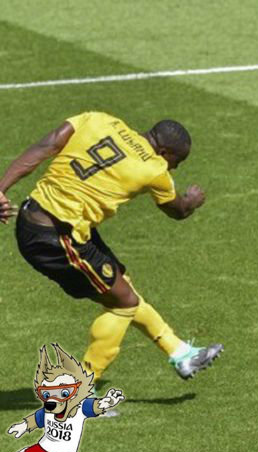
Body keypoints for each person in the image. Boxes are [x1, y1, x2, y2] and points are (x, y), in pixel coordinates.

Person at [0, 111, 223, 388]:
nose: (174, 168)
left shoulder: (100, 120)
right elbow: (179, 210)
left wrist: (1, 188)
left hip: (36, 214)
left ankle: (180, 352)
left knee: (121, 284)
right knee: (123, 303)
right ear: (165, 152)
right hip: (58, 238)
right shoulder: (155, 169)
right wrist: (192, 200)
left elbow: (47, 145)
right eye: (176, 161)